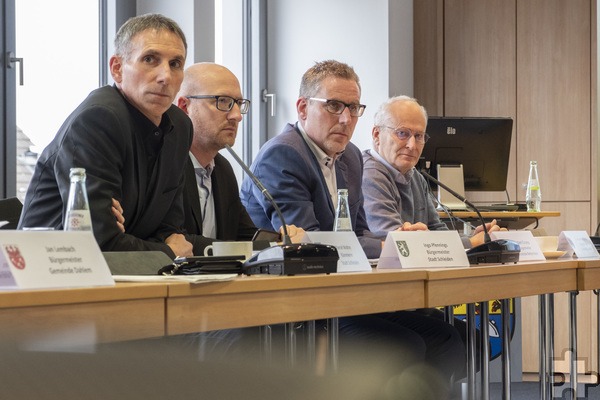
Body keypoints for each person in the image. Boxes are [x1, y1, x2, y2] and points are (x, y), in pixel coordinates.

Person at [240, 60, 465, 389]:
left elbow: (359, 234)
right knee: (408, 346)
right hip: (296, 311)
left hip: (343, 298)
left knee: (447, 339)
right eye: (333, 106)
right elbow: (310, 245)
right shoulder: (283, 155)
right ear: (303, 108)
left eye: (353, 108)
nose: (346, 119)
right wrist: (393, 244)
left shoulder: (349, 158)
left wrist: (396, 241)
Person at [18, 13, 193, 259]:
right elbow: (98, 243)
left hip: (134, 277)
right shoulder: (98, 119)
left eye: (175, 64)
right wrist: (166, 251)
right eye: (150, 59)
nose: (165, 76)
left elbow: (171, 230)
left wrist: (153, 243)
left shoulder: (181, 125)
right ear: (117, 69)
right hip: (52, 272)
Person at [361, 95, 503, 245]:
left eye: (419, 136)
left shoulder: (415, 175)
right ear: (377, 135)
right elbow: (398, 242)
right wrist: (472, 243)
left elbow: (436, 229)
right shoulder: (369, 175)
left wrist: (472, 239)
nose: (412, 145)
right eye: (402, 133)